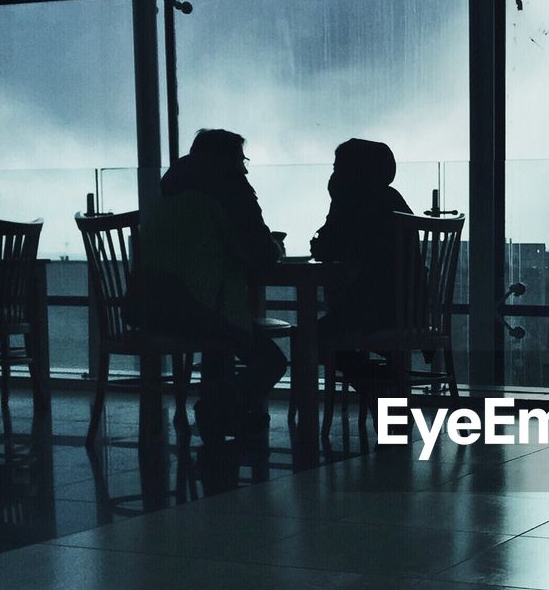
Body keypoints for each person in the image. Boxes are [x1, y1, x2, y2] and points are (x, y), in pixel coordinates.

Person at [139, 128, 287, 439]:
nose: (245, 168)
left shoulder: (170, 192)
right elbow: (260, 252)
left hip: (150, 308)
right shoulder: (230, 189)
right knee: (271, 361)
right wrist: (276, 247)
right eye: (242, 159)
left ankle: (222, 416)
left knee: (224, 339)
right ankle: (218, 411)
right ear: (229, 159)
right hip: (200, 309)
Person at [310, 138, 415, 400]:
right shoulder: (393, 200)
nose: (333, 173)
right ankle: (383, 384)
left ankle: (373, 383)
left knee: (311, 337)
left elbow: (327, 247)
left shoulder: (352, 200)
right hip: (410, 309)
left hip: (370, 309)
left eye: (337, 166)